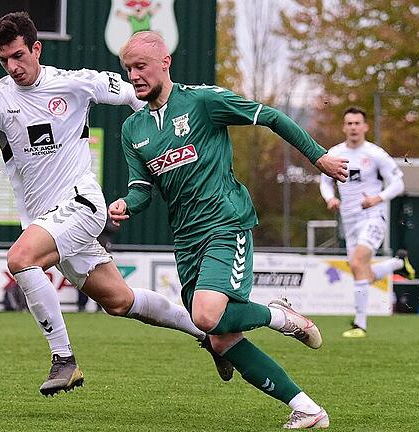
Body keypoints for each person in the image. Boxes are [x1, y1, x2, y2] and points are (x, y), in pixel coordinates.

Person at [0, 12, 233, 397]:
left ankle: (63, 360)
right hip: (46, 221)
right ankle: (208, 335)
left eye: (19, 55)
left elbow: (140, 99)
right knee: (121, 302)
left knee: (21, 259)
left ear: (36, 48)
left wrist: (172, 141)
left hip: (81, 204)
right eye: (4, 60)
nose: (13, 66)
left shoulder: (75, 83)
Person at [109, 31, 349, 429]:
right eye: (128, 69)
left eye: (140, 66)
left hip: (225, 222)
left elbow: (270, 116)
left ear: (165, 62)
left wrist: (319, 157)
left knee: (205, 317)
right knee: (219, 336)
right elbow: (141, 190)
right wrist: (124, 204)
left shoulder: (202, 101)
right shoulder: (133, 129)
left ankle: (277, 316)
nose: (133, 76)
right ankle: (309, 410)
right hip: (186, 241)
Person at [320, 107, 414, 338]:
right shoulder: (334, 153)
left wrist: (377, 198)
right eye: (349, 123)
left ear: (365, 127)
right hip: (349, 220)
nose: (353, 127)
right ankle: (397, 264)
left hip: (373, 217)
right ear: (344, 127)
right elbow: (324, 181)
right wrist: (330, 198)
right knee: (360, 270)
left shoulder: (375, 154)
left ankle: (360, 325)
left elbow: (398, 184)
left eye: (357, 123)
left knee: (358, 261)